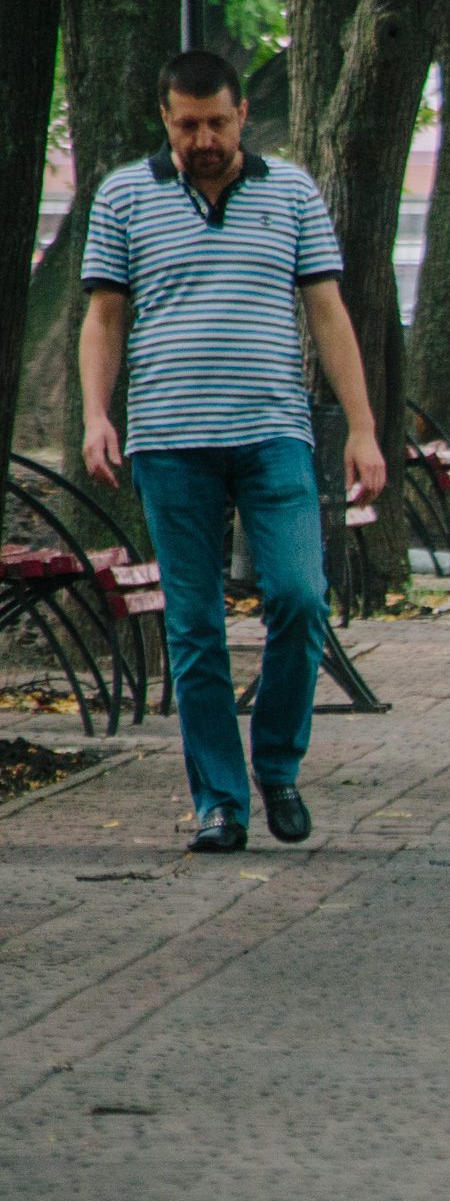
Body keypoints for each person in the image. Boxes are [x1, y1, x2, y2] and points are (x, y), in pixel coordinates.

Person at [77, 49, 386, 855]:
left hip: (274, 433)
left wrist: (361, 427)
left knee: (300, 595)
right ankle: (220, 800)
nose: (204, 138)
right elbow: (105, 316)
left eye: (217, 121)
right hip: (170, 442)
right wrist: (95, 415)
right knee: (195, 626)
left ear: (243, 113)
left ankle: (276, 762)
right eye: (188, 125)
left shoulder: (291, 192)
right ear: (166, 119)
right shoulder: (123, 195)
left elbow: (326, 309)